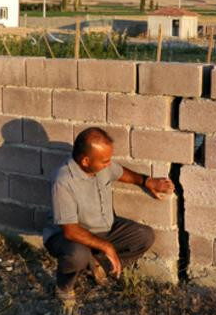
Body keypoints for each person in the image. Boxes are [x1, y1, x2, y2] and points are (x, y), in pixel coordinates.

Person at [43, 126, 175, 304]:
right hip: (68, 236)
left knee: (144, 235)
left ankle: (99, 267)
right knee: (77, 254)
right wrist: (107, 247)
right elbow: (70, 231)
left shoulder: (102, 166)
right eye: (105, 161)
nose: (109, 164)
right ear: (85, 161)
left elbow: (121, 172)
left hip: (104, 229)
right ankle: (64, 287)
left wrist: (147, 181)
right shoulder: (63, 181)